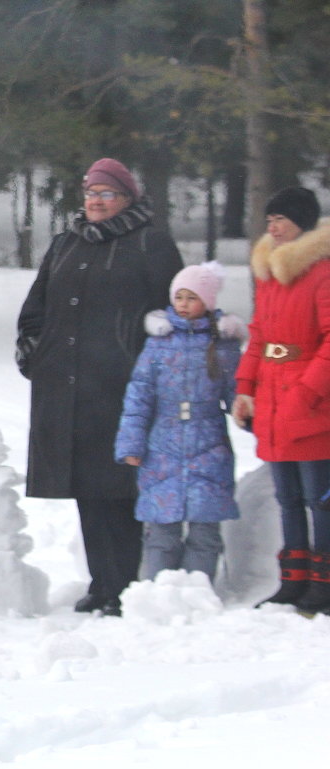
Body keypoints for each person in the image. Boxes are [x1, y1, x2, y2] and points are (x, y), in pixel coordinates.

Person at [16, 157, 183, 616]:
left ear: (126, 198)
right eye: (90, 193)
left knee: (120, 486)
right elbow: (36, 307)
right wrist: (34, 353)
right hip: (66, 388)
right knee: (86, 487)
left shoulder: (152, 242)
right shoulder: (67, 243)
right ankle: (102, 582)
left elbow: (174, 312)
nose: (95, 201)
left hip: (123, 388)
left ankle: (127, 585)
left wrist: (152, 369)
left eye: (106, 194)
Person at [115, 262, 246, 582]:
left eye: (192, 298)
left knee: (205, 529)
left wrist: (254, 418)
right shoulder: (158, 343)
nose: (184, 305)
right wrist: (131, 442)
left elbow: (238, 394)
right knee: (162, 529)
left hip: (210, 446)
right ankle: (159, 591)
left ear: (208, 302)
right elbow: (139, 396)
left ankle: (198, 592)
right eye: (179, 297)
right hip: (162, 446)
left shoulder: (223, 347)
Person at [231, 186, 330, 613]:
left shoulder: (322, 272)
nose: (272, 227)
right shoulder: (270, 272)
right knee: (286, 497)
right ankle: (293, 580)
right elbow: (259, 338)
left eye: (281, 220)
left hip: (309, 401)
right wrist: (244, 389)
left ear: (301, 223)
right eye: (269, 221)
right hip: (272, 398)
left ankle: (323, 584)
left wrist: (308, 391)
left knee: (318, 498)